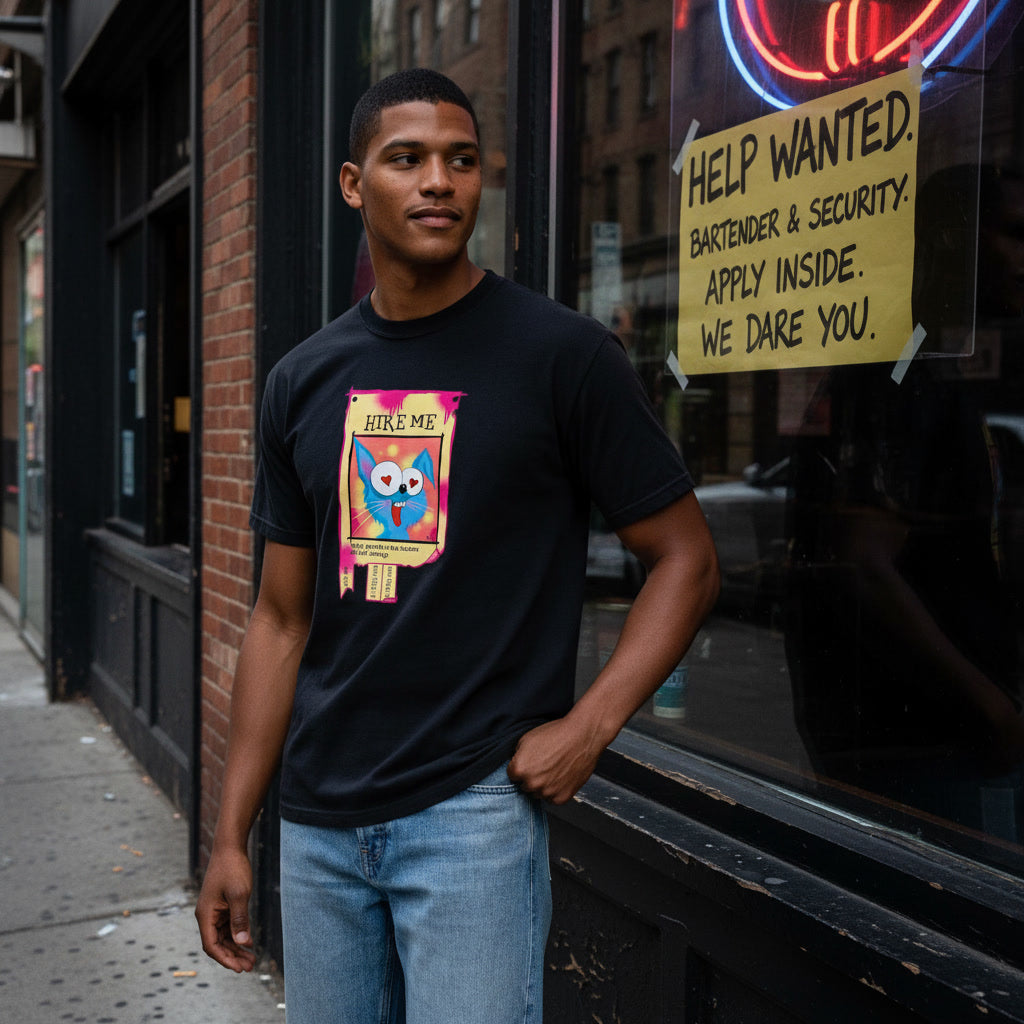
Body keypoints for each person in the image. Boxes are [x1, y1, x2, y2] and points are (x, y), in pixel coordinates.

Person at [195, 68, 719, 1024]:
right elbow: (279, 617)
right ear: (356, 185)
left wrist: (589, 728)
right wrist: (232, 832)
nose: (439, 181)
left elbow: (686, 558)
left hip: (469, 815)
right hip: (317, 826)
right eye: (408, 159)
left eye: (462, 160)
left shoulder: (562, 356)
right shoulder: (302, 381)